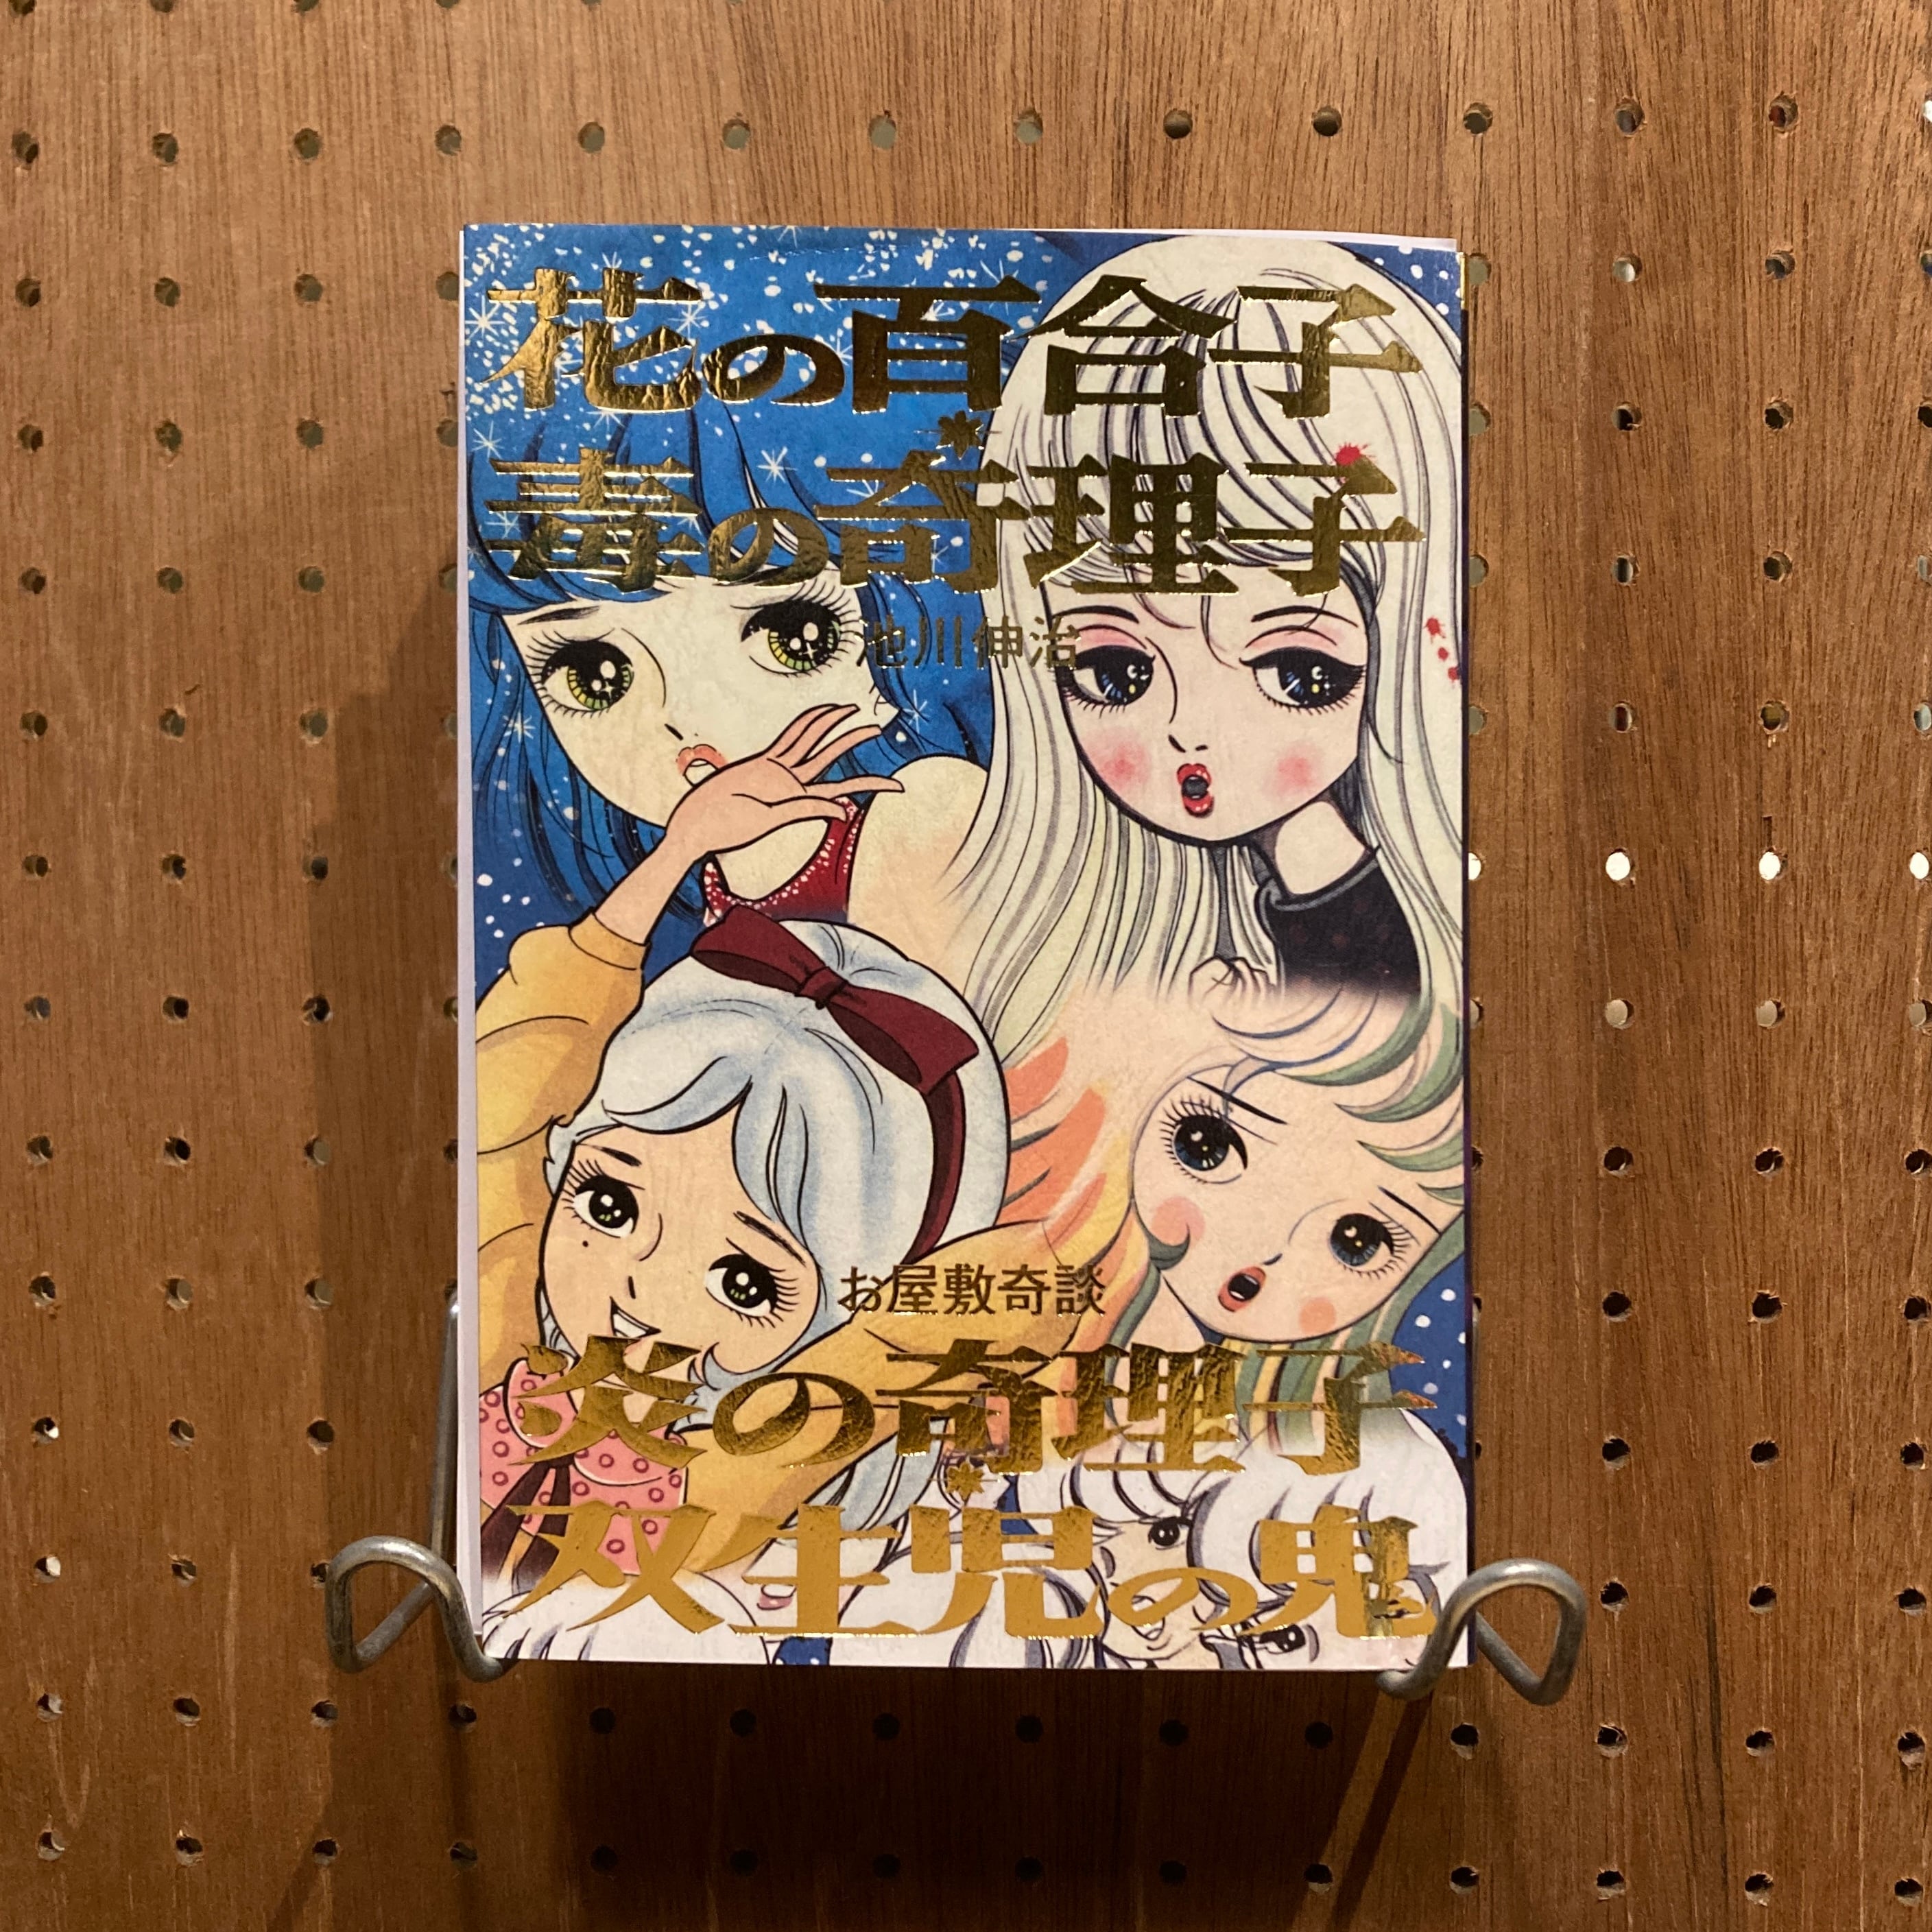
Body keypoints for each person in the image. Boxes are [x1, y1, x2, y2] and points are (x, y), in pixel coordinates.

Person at [955, 232, 1464, 1078]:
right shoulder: (1030, 929)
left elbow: (1389, 1073)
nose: (1191, 731)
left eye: (1299, 674)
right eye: (1117, 674)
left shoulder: (1410, 930)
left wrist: (1316, 856)